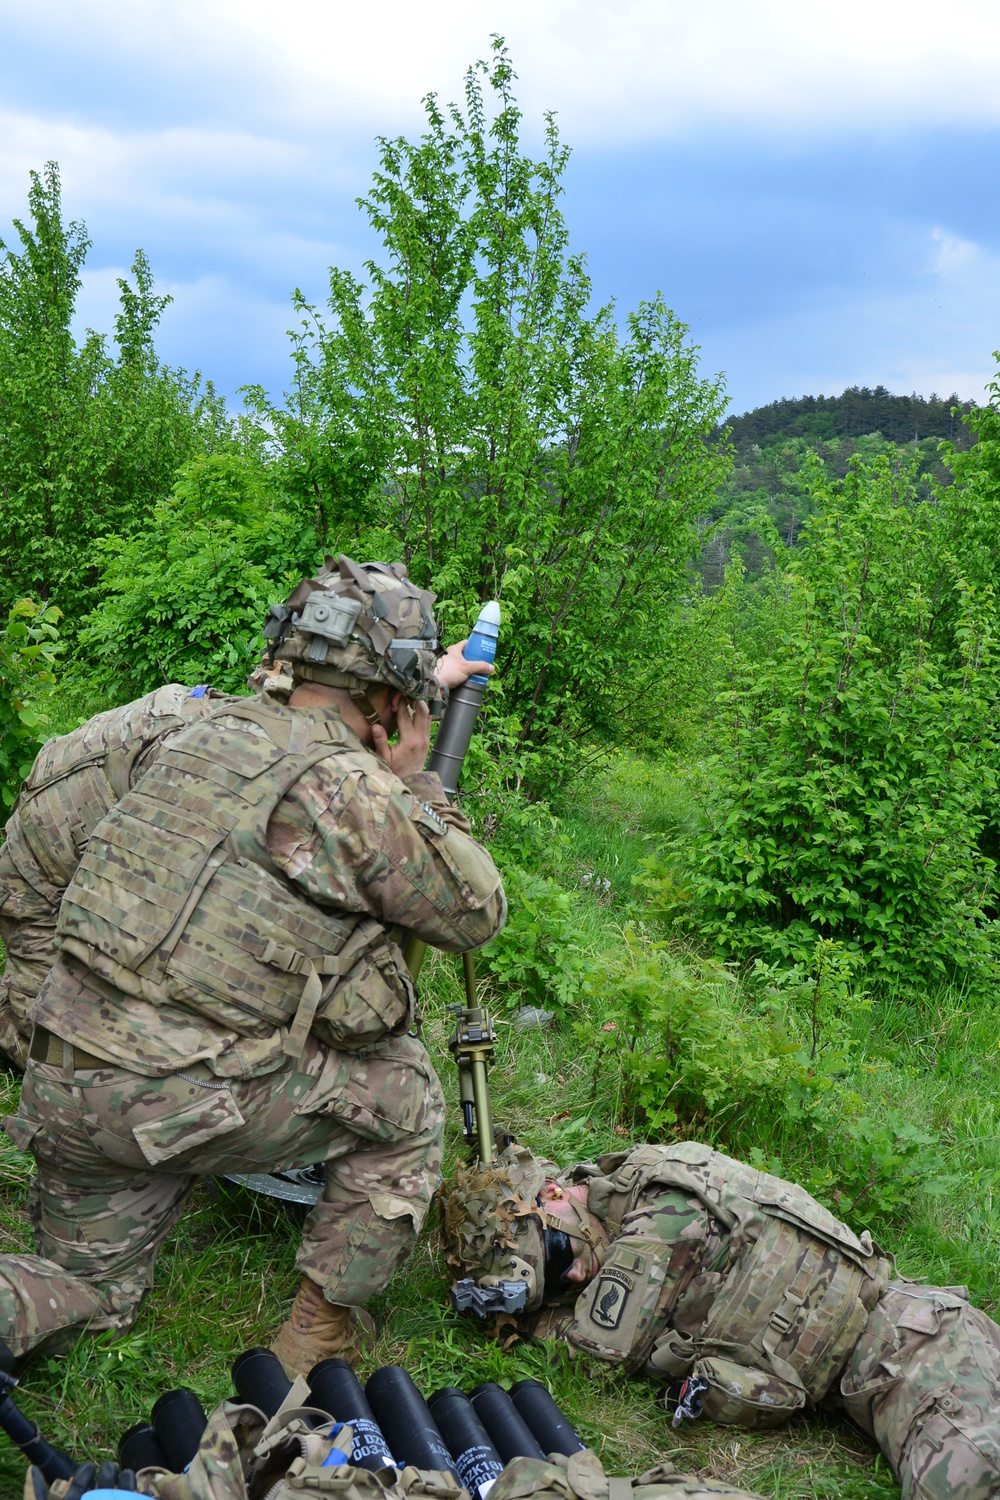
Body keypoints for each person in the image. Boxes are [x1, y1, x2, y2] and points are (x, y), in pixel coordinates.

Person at [0, 556, 506, 1378]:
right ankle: (320, 1331)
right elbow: (474, 911)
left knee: (86, 1300)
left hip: (65, 1086)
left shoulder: (193, 727)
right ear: (392, 699)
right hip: (176, 1099)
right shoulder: (352, 791)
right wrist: (416, 784)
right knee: (406, 1095)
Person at [444, 1139, 1000, 1500]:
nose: (569, 1281)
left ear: (553, 1192)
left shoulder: (659, 1217)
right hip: (878, 1365)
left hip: (914, 1351)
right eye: (551, 1284)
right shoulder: (630, 1190)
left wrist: (537, 1322)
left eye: (560, 1257)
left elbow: (594, 1358)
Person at [0, 684, 234, 1068]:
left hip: (81, 821)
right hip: (36, 873)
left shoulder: (233, 729)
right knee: (56, 1049)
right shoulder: (193, 764)